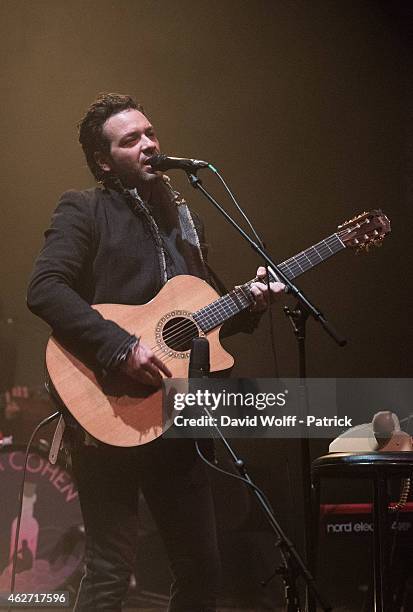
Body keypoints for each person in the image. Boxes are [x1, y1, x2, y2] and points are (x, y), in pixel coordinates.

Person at [26, 93, 285, 611]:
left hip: (178, 411)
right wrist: (119, 346)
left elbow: (194, 328)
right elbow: (45, 288)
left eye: (150, 133)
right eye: (131, 140)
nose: (149, 145)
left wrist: (250, 305)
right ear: (104, 159)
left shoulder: (184, 218)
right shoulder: (84, 207)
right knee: (108, 572)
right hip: (105, 404)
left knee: (201, 571)